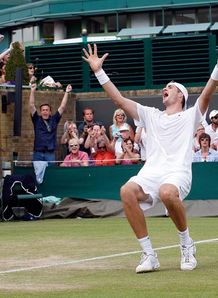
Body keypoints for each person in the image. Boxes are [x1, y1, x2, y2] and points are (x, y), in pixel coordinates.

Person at [83, 43, 218, 273]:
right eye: (165, 86)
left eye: (170, 87)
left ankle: (186, 244)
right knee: (126, 191)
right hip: (151, 173)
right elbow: (119, 101)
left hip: (177, 174)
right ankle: (149, 254)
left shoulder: (190, 116)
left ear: (181, 96)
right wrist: (98, 71)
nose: (165, 88)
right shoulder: (150, 115)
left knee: (167, 192)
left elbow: (208, 91)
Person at [29, 82, 72, 163]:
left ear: (50, 112)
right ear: (40, 112)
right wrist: (32, 91)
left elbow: (62, 107)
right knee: (38, 174)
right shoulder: (36, 119)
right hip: (38, 153)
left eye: (47, 110)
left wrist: (66, 92)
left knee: (51, 173)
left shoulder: (54, 119)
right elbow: (31, 105)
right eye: (43, 110)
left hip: (50, 153)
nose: (45, 112)